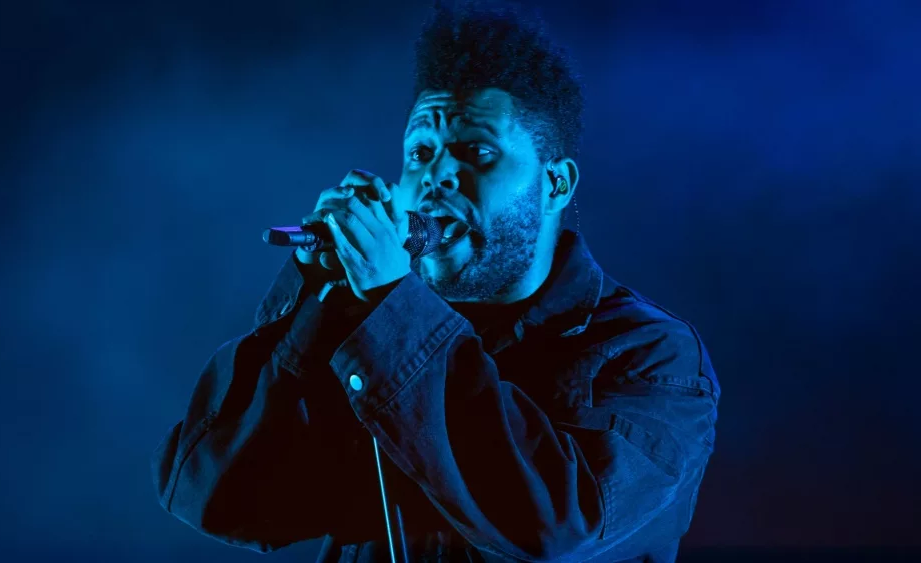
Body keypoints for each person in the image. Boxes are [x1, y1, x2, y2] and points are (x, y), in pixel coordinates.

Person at [151, 2, 720, 562]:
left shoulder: (652, 356)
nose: (436, 175)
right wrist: (318, 303)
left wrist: (390, 306)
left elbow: (557, 527)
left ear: (555, 184)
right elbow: (215, 497)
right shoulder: (365, 335)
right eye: (420, 152)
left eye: (477, 152)